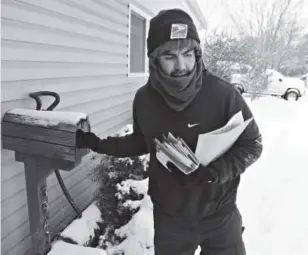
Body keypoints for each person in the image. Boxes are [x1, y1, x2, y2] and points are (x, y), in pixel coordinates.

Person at [76, 8, 263, 255]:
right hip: (171, 219)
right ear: (154, 59)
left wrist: (215, 173)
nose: (181, 65)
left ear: (197, 53)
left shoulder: (223, 95)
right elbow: (141, 142)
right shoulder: (145, 99)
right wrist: (96, 143)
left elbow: (252, 145)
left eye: (188, 54)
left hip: (220, 215)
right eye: (169, 56)